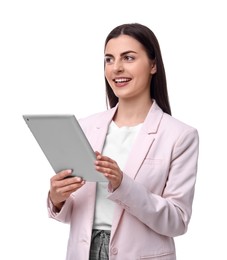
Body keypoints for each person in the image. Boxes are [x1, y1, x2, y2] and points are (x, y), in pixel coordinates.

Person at [47, 23, 199, 260]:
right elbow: (74, 212)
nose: (116, 68)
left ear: (153, 65)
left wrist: (122, 185)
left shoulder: (180, 135)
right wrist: (58, 199)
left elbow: (177, 221)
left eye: (128, 58)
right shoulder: (85, 127)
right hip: (83, 252)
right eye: (109, 59)